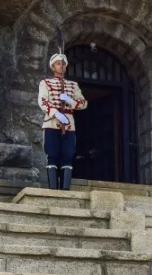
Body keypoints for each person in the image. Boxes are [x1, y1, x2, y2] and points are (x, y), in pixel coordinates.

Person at [38, 53, 87, 190]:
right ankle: (53, 189)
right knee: (52, 155)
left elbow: (83, 103)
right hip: (52, 122)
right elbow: (42, 101)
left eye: (63, 63)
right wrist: (56, 113)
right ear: (53, 67)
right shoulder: (45, 83)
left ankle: (65, 189)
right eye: (58, 63)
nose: (62, 66)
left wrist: (69, 101)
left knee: (68, 155)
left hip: (69, 124)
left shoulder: (73, 85)